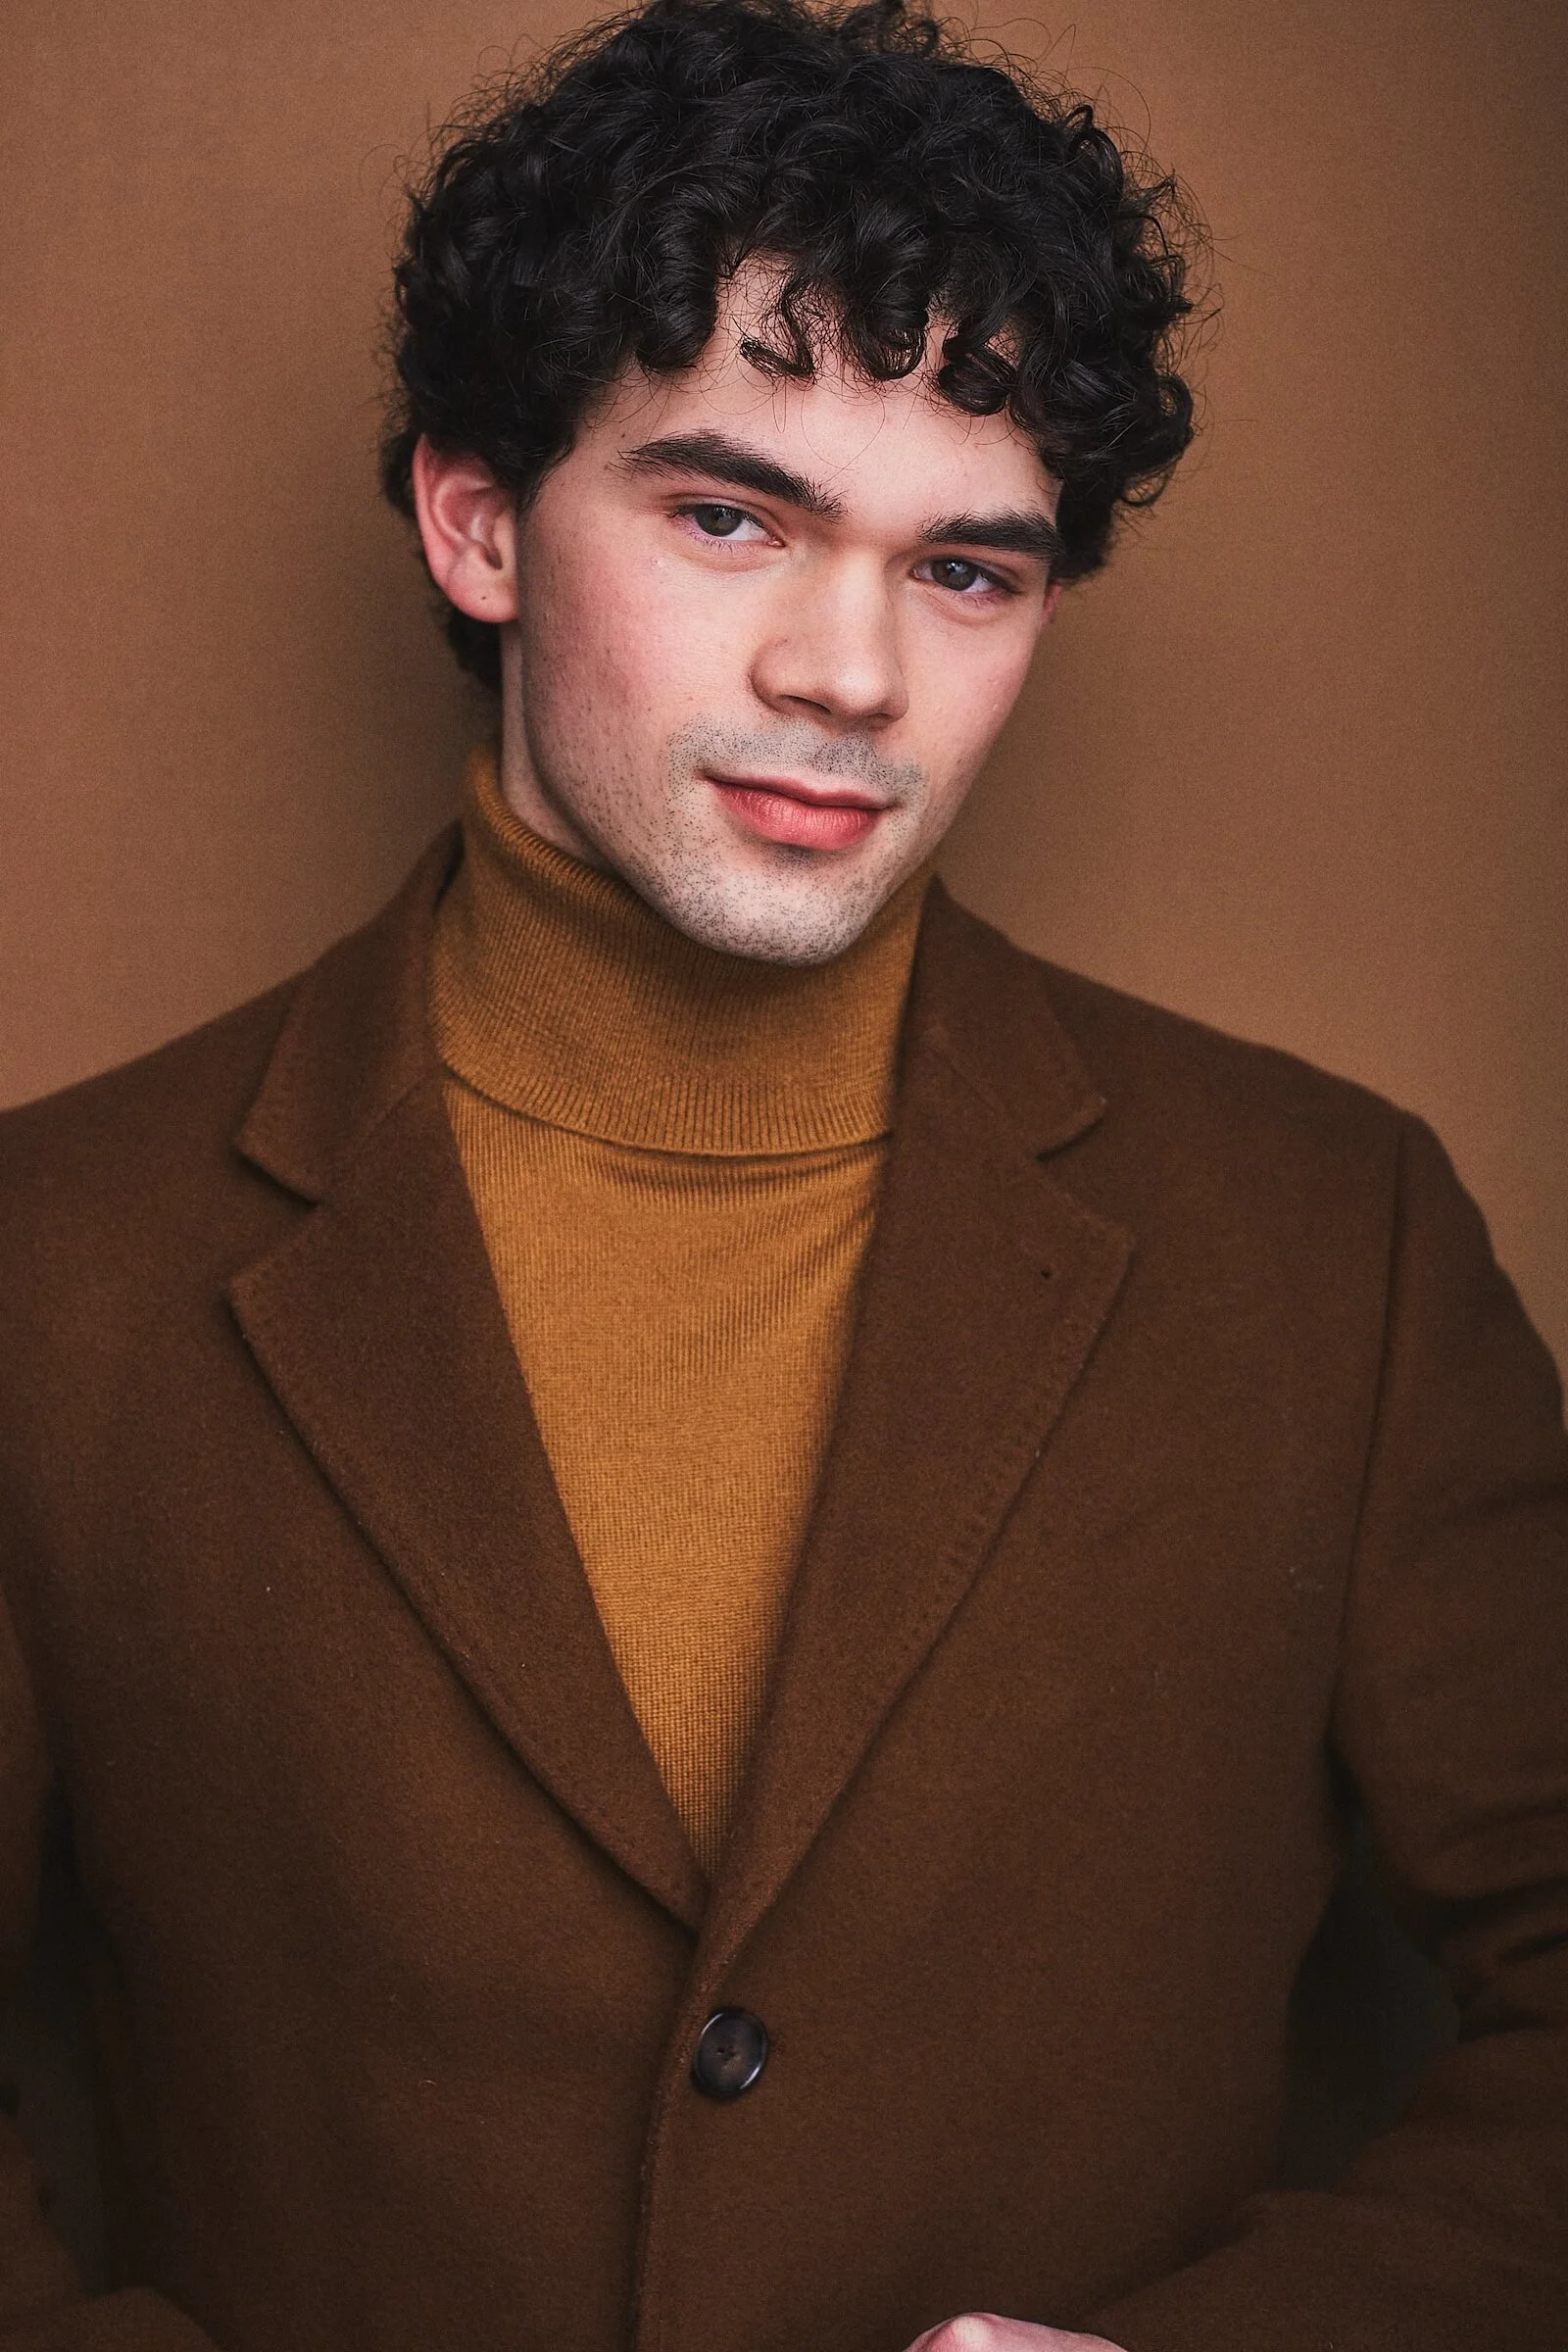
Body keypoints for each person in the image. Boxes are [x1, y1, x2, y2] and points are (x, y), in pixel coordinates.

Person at [0, 0, 1563, 2346]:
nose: (848, 670)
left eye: (965, 570)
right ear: (476, 518)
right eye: (731, 515)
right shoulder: (53, 1266)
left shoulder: (1327, 1243)